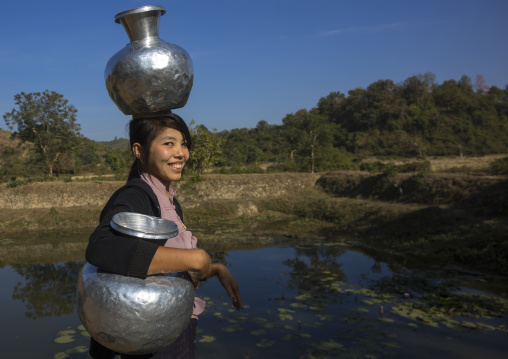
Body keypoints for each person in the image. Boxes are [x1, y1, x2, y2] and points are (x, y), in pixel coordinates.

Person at [85, 113, 243, 359]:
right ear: (139, 150)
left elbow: (165, 266)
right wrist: (196, 257)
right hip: (153, 336)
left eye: (184, 144)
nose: (181, 153)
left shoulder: (169, 199)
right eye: (169, 143)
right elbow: (102, 247)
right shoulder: (136, 195)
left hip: (173, 327)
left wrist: (214, 268)